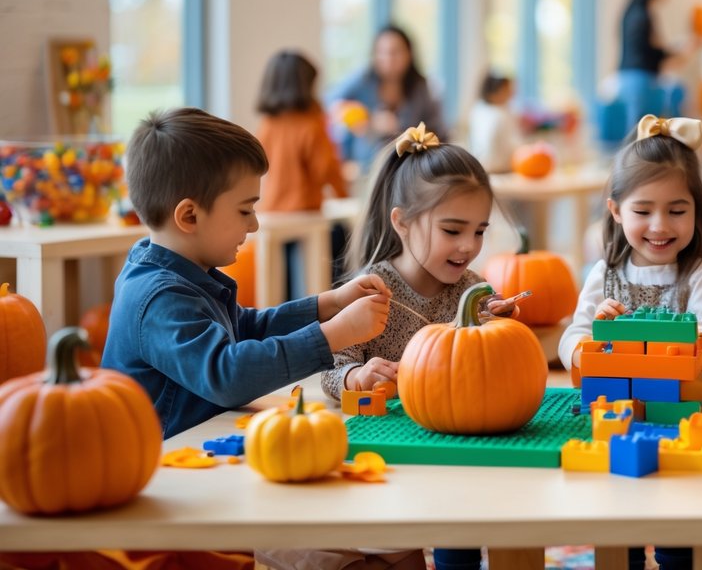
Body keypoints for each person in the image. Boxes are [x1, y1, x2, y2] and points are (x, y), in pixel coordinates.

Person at [101, 108, 392, 439]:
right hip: (159, 465)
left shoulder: (181, 274)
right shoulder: (159, 299)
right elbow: (228, 375)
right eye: (245, 210)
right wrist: (334, 335)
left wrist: (330, 303)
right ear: (190, 216)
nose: (253, 224)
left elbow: (247, 329)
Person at [319, 124, 517, 570]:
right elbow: (332, 367)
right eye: (452, 230)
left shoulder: (474, 289)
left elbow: (488, 362)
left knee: (461, 532)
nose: (469, 246)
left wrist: (498, 329)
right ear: (402, 223)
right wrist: (355, 376)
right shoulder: (372, 289)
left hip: (456, 446)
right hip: (391, 457)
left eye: (480, 231)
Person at [558, 114, 702, 570]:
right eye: (643, 211)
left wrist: (687, 341)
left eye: (677, 210)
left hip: (684, 418)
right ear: (616, 211)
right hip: (616, 417)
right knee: (618, 518)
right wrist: (593, 337)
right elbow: (572, 338)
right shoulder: (604, 275)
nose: (660, 225)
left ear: (697, 211)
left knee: (678, 516)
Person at [255, 50, 350, 295]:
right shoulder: (311, 122)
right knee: (341, 237)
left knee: (281, 276)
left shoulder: (267, 124)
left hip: (271, 212)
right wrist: (343, 194)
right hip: (305, 212)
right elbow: (325, 169)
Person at [330, 26, 448, 172]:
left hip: (410, 168)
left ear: (409, 54)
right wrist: (369, 120)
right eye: (382, 52)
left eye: (395, 52)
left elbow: (439, 131)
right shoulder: (362, 80)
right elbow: (330, 104)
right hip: (366, 167)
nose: (389, 58)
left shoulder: (421, 86)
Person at [617, 0, 672, 129]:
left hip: (628, 76)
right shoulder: (643, 15)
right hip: (641, 78)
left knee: (636, 130)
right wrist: (671, 52)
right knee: (642, 131)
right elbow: (649, 50)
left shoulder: (631, 12)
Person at [466, 71, 521, 174]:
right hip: (502, 170)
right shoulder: (501, 115)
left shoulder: (477, 110)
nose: (511, 93)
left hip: (480, 169)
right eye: (506, 89)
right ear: (493, 92)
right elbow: (513, 148)